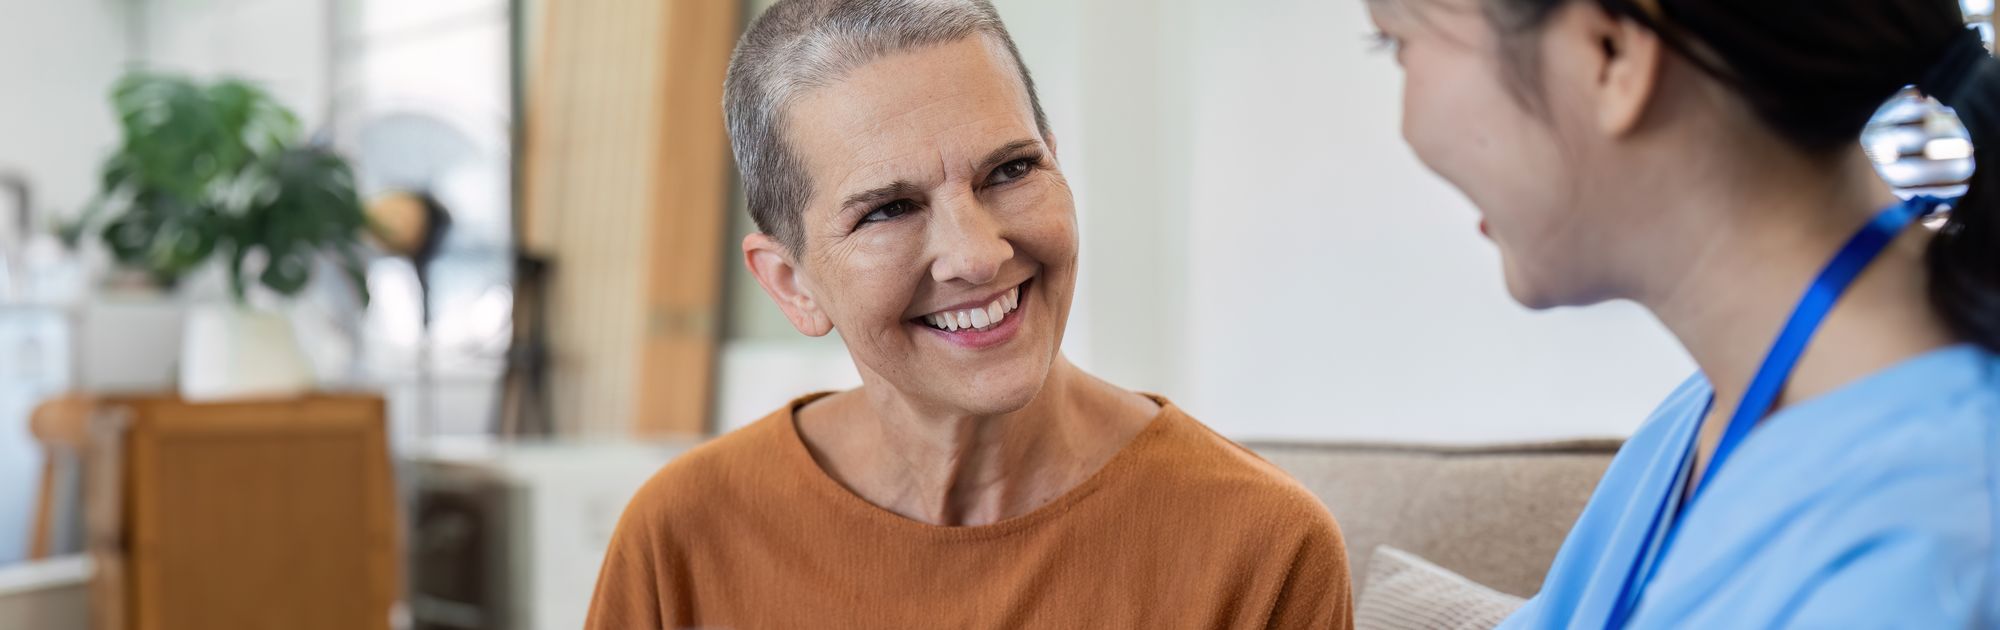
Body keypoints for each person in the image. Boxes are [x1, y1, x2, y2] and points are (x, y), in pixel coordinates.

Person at [584, 1, 1351, 627]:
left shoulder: (1261, 543)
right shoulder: (684, 532)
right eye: (888, 209)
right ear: (792, 284)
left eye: (1011, 170)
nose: (978, 255)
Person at [1365, 0, 2000, 626]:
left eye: (1397, 44)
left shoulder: (1930, 547)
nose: (1405, 128)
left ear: (1609, 51)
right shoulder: (1697, 422)